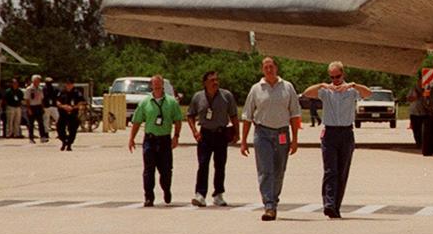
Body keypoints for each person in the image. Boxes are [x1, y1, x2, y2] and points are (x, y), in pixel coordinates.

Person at [301, 61, 371, 219]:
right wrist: (323, 85)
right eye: (332, 77)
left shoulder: (351, 91)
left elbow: (368, 93)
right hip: (330, 133)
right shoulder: (327, 92)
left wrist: (353, 85)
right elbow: (307, 93)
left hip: (346, 133)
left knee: (342, 172)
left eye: (338, 76)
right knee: (330, 170)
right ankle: (329, 204)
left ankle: (336, 207)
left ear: (343, 74)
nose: (335, 80)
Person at [240, 57, 302, 221]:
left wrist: (295, 139)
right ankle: (269, 205)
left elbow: (295, 115)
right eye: (266, 67)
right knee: (265, 170)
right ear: (262, 70)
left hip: (282, 133)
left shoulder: (287, 87)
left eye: (271, 66)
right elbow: (247, 116)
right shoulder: (256, 89)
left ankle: (273, 199)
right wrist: (244, 140)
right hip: (263, 133)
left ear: (276, 68)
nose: (269, 70)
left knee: (279, 171)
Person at [128, 74, 183, 206]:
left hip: (164, 140)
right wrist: (132, 138)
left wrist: (176, 136)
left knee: (166, 170)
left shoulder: (171, 102)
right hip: (150, 140)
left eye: (159, 84)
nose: (157, 86)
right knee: (148, 170)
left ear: (163, 85)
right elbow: (137, 121)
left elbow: (178, 120)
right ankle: (149, 197)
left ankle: (166, 189)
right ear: (151, 85)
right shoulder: (145, 102)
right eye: (154, 84)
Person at [187, 71, 239, 207]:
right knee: (203, 164)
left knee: (220, 165)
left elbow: (233, 115)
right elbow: (190, 115)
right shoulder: (198, 97)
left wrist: (237, 133)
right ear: (205, 83)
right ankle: (200, 194)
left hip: (221, 134)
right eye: (212, 80)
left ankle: (218, 194)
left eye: (216, 80)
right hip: (205, 135)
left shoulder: (226, 96)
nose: (215, 82)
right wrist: (194, 132)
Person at [55, 79, 83, 151]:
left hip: (72, 113)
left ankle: (69, 144)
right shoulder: (62, 92)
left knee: (72, 130)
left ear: (73, 84)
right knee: (59, 129)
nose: (68, 85)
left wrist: (73, 107)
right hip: (63, 113)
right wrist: (63, 106)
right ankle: (64, 141)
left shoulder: (77, 92)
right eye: (67, 84)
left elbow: (80, 102)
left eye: (70, 84)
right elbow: (57, 101)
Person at [24, 74, 48, 143]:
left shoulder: (40, 89)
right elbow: (27, 100)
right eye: (37, 80)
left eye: (39, 80)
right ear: (33, 81)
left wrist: (42, 107)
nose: (38, 82)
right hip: (31, 106)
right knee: (31, 123)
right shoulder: (29, 89)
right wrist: (29, 109)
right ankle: (31, 138)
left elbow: (41, 99)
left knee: (41, 122)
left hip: (38, 106)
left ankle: (42, 137)